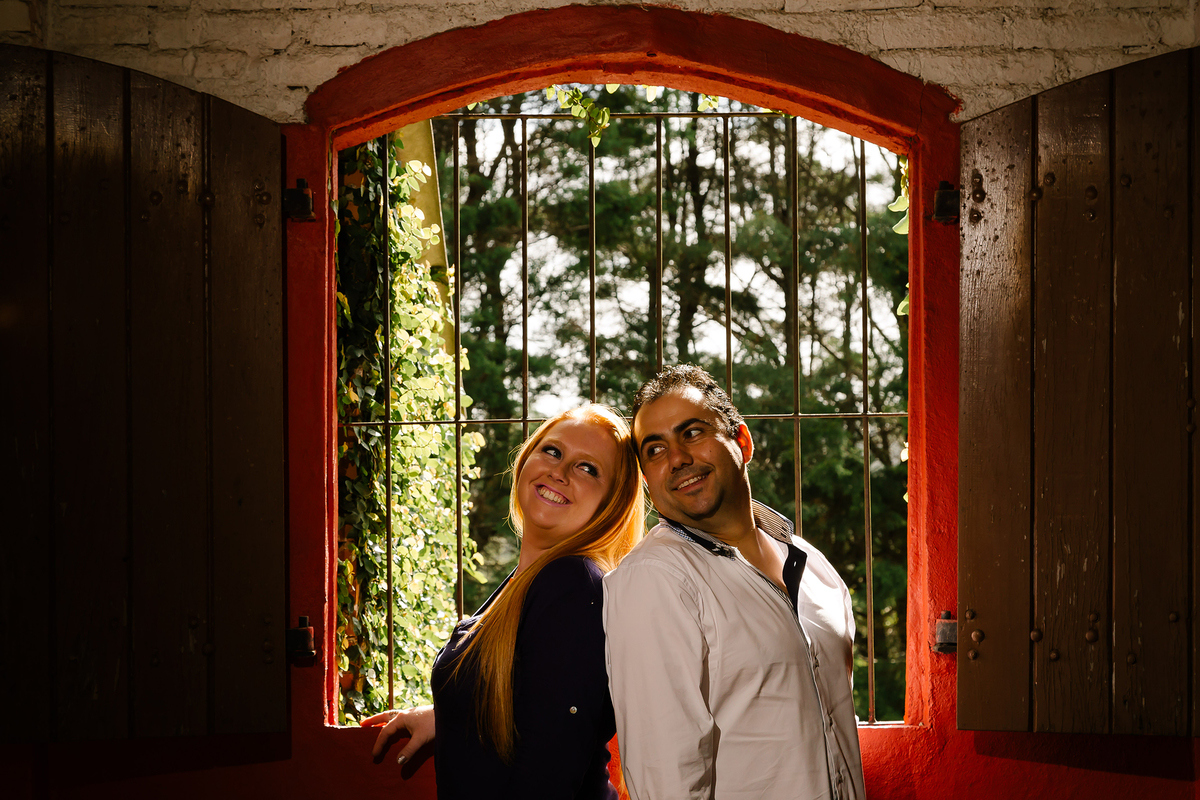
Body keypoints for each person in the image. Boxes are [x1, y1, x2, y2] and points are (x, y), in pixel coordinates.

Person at [604, 365, 866, 800]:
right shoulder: (653, 579)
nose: (677, 459)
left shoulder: (813, 565)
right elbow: (666, 777)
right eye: (655, 449)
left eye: (692, 433)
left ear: (742, 441)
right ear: (647, 479)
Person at [363, 403, 644, 800]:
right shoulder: (531, 579)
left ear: (612, 503)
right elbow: (527, 700)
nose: (560, 472)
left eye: (587, 468)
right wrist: (451, 716)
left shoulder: (573, 584)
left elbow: (547, 773)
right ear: (526, 459)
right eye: (552, 451)